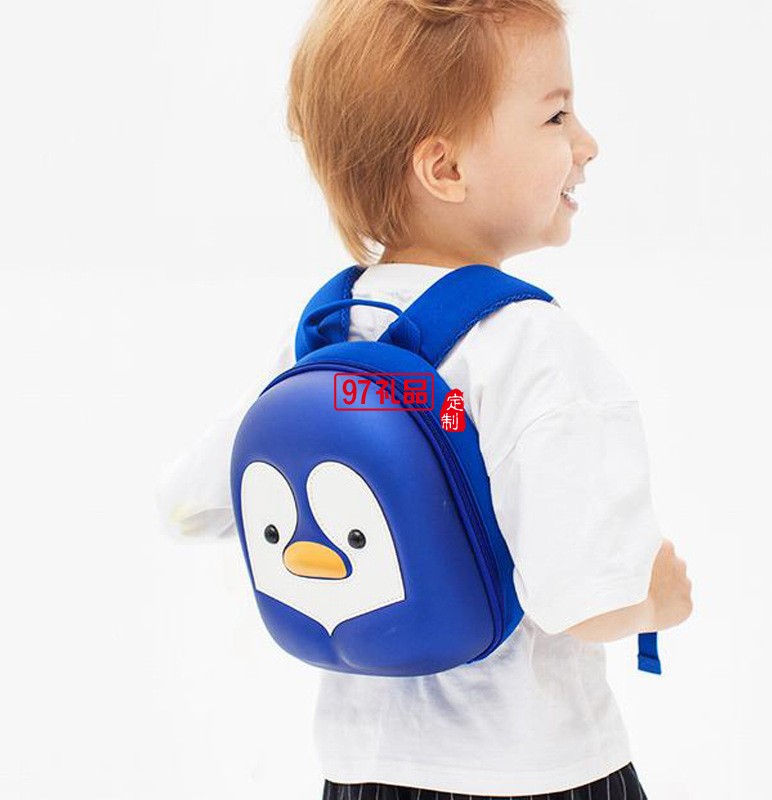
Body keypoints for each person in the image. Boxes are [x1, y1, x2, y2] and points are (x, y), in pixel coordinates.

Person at [155, 2, 693, 797]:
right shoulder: (530, 343)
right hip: (535, 770)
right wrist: (657, 601)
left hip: (362, 772)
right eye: (556, 116)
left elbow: (185, 507)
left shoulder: (326, 336)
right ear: (444, 169)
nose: (587, 143)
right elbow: (583, 599)